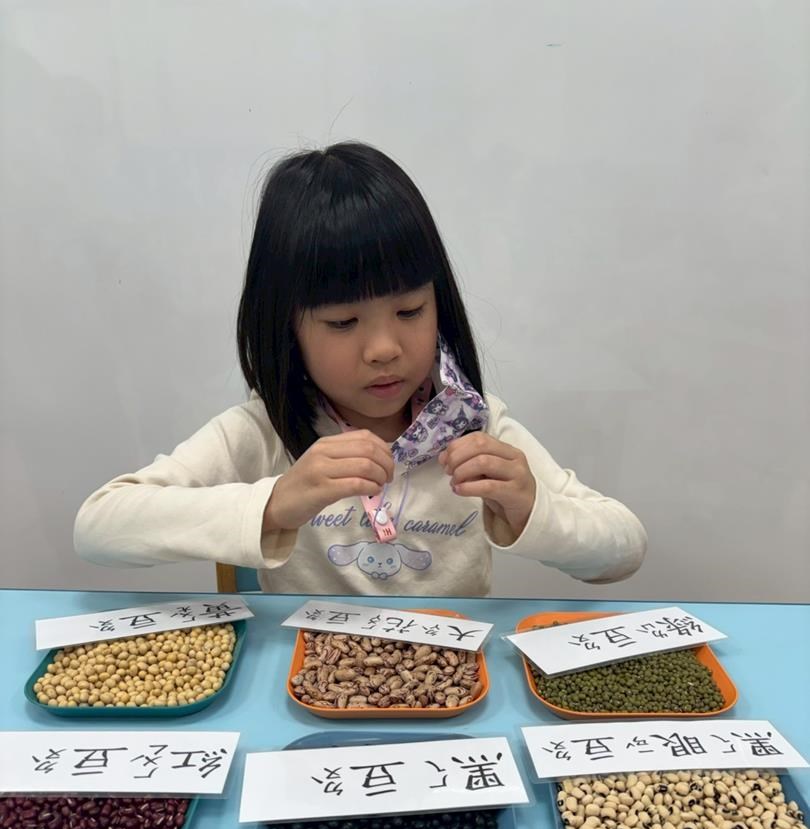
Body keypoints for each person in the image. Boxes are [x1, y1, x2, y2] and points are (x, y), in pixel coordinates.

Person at [74, 142, 646, 596]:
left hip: (454, 688)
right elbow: (98, 527)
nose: (383, 348)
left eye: (410, 311)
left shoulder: (474, 425)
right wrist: (274, 503)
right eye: (343, 322)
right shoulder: (264, 432)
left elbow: (624, 549)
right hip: (310, 688)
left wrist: (531, 508)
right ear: (287, 328)